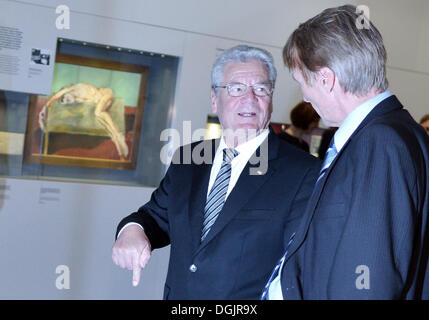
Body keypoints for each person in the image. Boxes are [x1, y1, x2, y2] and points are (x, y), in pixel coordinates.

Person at [111, 45, 320, 299]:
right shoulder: (188, 159)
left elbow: (303, 267)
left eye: (261, 89)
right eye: (236, 88)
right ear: (214, 98)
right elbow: (155, 218)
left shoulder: (303, 172)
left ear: (271, 99)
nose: (250, 99)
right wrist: (132, 230)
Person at [262, 5, 429, 299]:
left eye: (303, 83)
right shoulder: (385, 134)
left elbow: (368, 280)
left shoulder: (380, 142)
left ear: (326, 79)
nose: (304, 97)